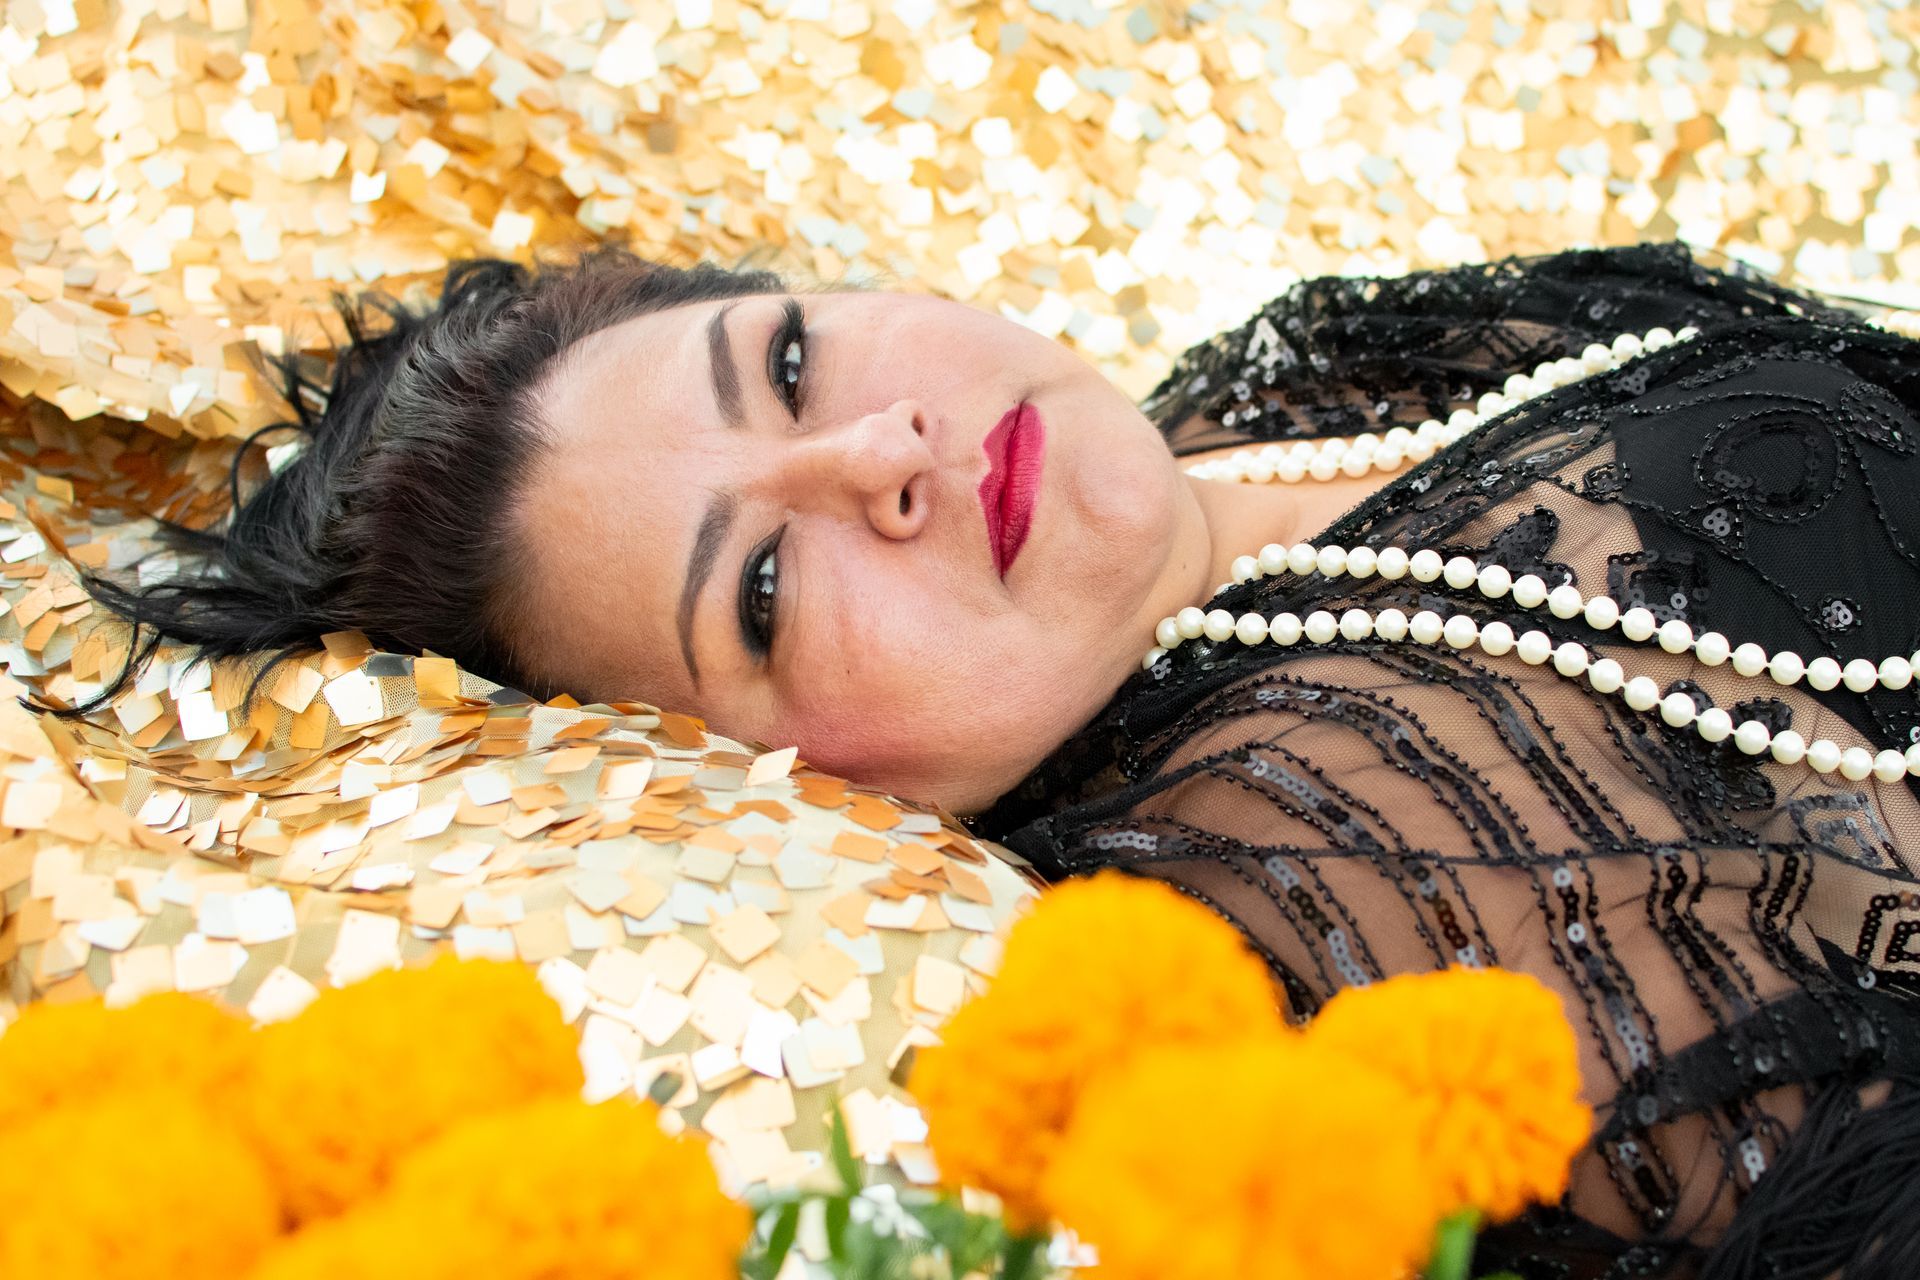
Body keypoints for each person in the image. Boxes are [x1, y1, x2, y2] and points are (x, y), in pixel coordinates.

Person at [74, 238, 1920, 1278]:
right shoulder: (1321, 879)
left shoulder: (1259, 391)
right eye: (772, 587)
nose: (879, 448)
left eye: (788, 364)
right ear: (800, 792)